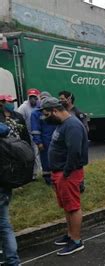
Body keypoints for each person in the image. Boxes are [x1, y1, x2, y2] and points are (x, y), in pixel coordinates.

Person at [40, 97, 88, 256]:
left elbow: (74, 152)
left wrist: (66, 173)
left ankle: (76, 241)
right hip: (60, 172)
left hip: (68, 173)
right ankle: (70, 235)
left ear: (55, 111)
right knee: (67, 206)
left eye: (47, 114)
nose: (45, 118)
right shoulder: (62, 124)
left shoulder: (72, 125)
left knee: (73, 207)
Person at [0, 123, 21, 266]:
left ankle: (12, 261)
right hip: (4, 184)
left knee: (3, 224)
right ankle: (12, 260)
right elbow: (4, 128)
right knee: (4, 224)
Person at [31, 92, 57, 185]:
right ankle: (48, 179)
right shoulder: (36, 113)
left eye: (45, 98)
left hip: (56, 139)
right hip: (44, 141)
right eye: (42, 98)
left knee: (57, 158)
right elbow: (35, 129)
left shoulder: (53, 111)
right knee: (45, 160)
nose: (43, 100)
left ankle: (57, 176)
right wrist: (39, 142)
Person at [17, 88, 42, 179]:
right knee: (33, 153)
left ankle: (38, 172)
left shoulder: (40, 106)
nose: (33, 99)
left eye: (34, 97)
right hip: (28, 134)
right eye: (31, 97)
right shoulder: (23, 108)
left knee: (39, 153)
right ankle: (34, 174)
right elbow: (18, 120)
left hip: (39, 133)